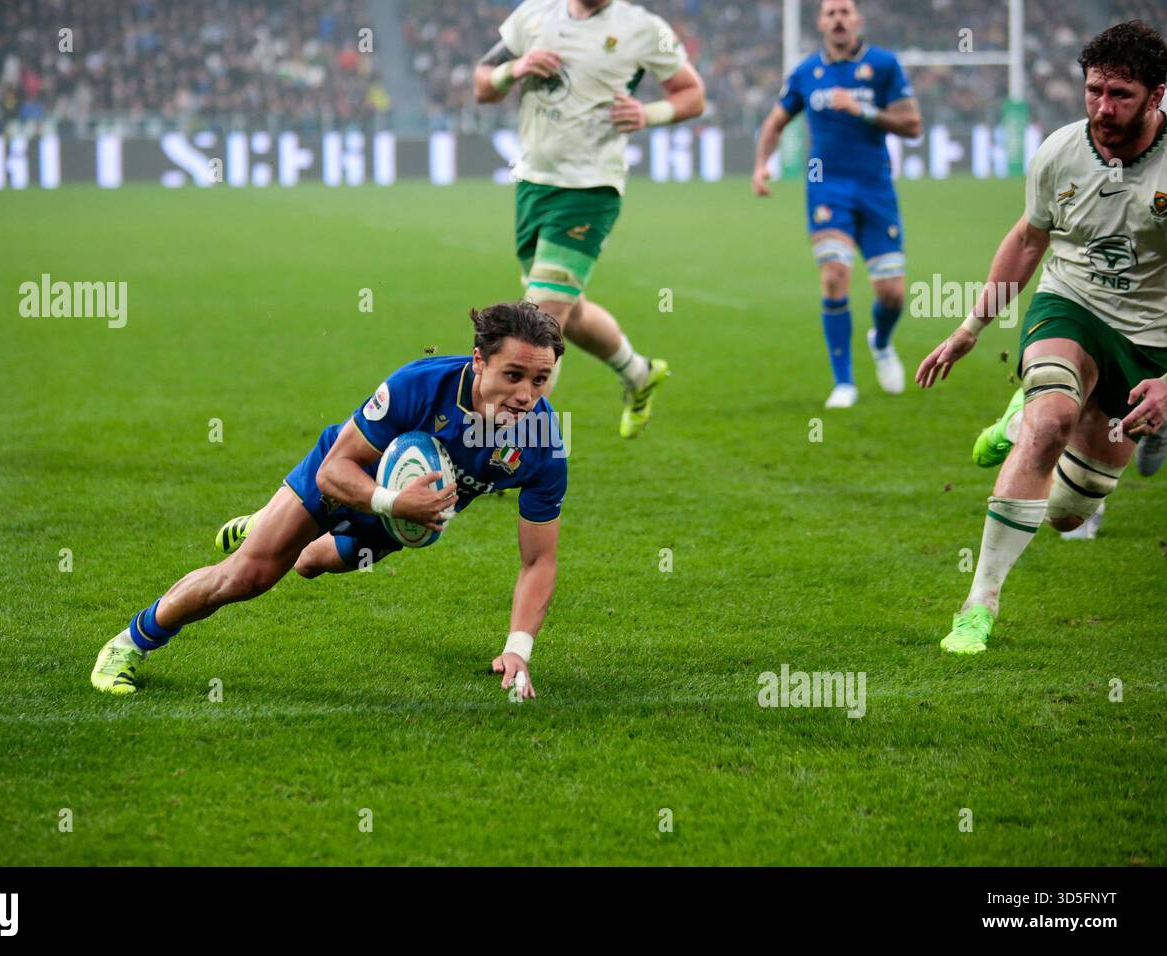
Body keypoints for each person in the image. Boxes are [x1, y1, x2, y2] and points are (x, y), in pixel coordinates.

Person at [91, 302, 569, 699]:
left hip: (395, 522)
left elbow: (539, 559)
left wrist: (518, 648)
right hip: (345, 481)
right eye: (513, 375)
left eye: (540, 380)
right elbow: (333, 470)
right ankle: (131, 642)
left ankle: (271, 526)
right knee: (247, 577)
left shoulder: (542, 441)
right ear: (479, 360)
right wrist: (393, 501)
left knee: (309, 565)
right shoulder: (419, 386)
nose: (526, 395)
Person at [916, 21, 1167, 654]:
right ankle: (979, 604)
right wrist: (972, 327)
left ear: (1157, 95)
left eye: (1121, 95)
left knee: (1067, 514)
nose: (1103, 109)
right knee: (1050, 420)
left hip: (1151, 340)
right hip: (1071, 304)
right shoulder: (1060, 150)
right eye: (1094, 91)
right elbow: (1030, 239)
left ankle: (1019, 417)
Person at [473, 0, 705, 437]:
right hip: (532, 185)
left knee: (541, 315)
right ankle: (638, 374)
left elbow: (693, 94)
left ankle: (509, 442)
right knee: (569, 313)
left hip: (591, 188)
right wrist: (516, 67)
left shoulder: (640, 28)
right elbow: (483, 85)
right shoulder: (534, 16)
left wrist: (647, 113)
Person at [752, 0, 921, 409]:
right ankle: (844, 382)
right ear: (821, 22)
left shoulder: (883, 65)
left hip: (876, 188)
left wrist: (862, 109)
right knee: (833, 277)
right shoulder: (806, 73)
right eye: (831, 13)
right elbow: (775, 122)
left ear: (858, 19)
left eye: (845, 11)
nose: (839, 19)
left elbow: (912, 126)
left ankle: (880, 342)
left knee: (892, 294)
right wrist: (761, 166)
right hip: (825, 189)